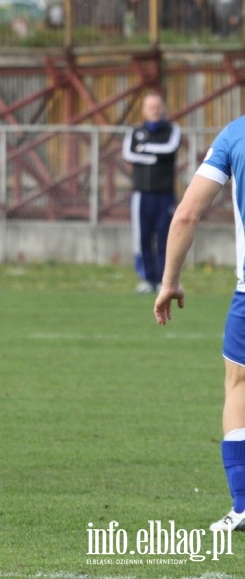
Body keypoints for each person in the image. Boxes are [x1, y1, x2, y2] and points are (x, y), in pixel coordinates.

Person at [154, 114, 245, 531]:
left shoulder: (235, 134)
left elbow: (188, 213)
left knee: (239, 386)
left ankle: (243, 504)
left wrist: (170, 280)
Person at [122, 91, 181, 294]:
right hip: (141, 194)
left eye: (157, 106)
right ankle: (148, 279)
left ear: (163, 107)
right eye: (150, 107)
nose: (155, 110)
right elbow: (128, 154)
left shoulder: (172, 130)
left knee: (166, 236)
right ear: (144, 110)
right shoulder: (135, 131)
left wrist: (144, 149)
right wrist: (151, 157)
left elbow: (169, 148)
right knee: (143, 237)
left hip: (164, 193)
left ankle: (166, 280)